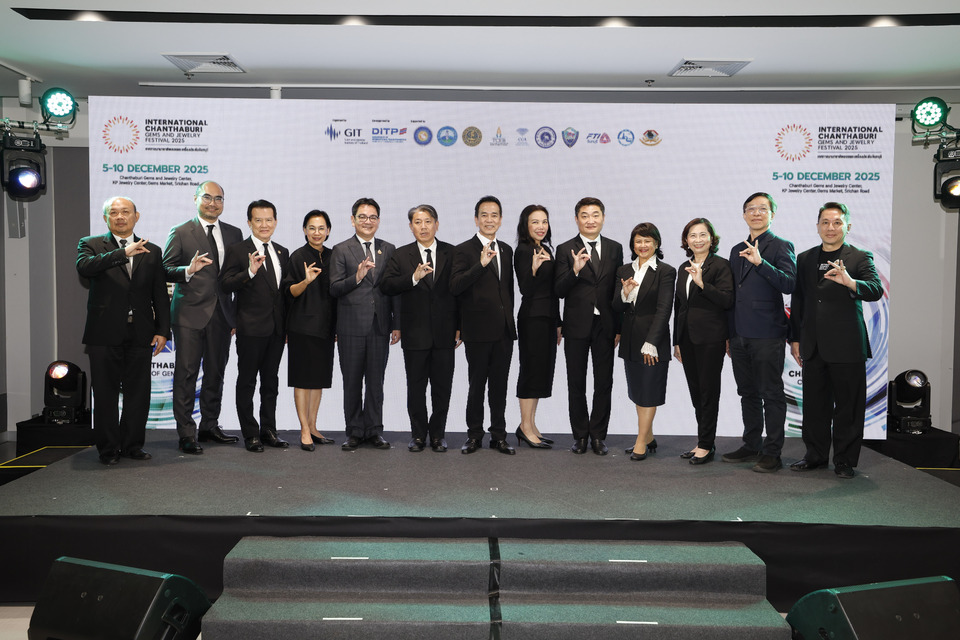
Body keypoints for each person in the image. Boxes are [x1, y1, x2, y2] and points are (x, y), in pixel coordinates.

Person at [789, 202, 883, 479]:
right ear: (818, 226)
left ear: (847, 226)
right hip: (813, 345)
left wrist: (850, 282)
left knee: (848, 407)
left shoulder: (860, 257)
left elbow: (875, 289)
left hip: (847, 344)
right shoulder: (805, 258)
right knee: (815, 406)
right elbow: (799, 300)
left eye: (837, 222)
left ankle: (844, 460)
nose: (831, 228)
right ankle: (815, 456)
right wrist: (795, 338)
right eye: (825, 222)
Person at [77, 197, 170, 465]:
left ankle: (132, 445)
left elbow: (159, 294)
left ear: (136, 216)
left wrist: (163, 330)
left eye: (125, 212)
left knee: (138, 393)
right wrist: (123, 253)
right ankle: (108, 449)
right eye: (114, 213)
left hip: (141, 332)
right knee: (105, 394)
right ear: (106, 218)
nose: (120, 217)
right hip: (103, 333)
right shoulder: (91, 244)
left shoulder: (152, 250)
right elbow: (84, 267)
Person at [162, 181, 243, 455]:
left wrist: (235, 316)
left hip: (222, 315)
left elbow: (235, 276)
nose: (213, 203)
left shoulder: (234, 233)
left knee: (215, 373)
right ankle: (186, 433)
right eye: (207, 197)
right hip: (189, 314)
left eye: (218, 198)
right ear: (196, 199)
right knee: (186, 374)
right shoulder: (181, 231)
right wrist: (188, 269)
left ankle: (209, 425)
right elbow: (165, 269)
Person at [723, 192, 797, 473]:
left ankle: (772, 452)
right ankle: (751, 444)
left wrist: (760, 263)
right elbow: (733, 295)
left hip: (768, 334)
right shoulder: (736, 249)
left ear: (772, 214)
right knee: (747, 393)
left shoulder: (781, 246)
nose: (756, 213)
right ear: (744, 215)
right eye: (751, 209)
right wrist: (730, 335)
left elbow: (789, 284)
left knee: (771, 394)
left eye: (762, 209)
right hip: (739, 334)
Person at [380, 204, 460, 453]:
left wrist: (460, 326)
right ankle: (417, 435)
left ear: (437, 224)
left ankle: (438, 435)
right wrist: (413, 278)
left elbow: (460, 292)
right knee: (415, 387)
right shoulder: (401, 254)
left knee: (442, 388)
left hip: (445, 333)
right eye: (417, 222)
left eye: (427, 221)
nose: (423, 227)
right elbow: (387, 285)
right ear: (410, 226)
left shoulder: (452, 252)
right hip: (415, 333)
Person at [329, 197, 400, 450]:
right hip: (350, 326)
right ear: (353, 220)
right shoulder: (341, 249)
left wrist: (397, 323)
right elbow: (334, 288)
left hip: (380, 325)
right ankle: (354, 431)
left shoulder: (389, 249)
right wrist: (357, 277)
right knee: (351, 382)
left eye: (372, 217)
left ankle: (374, 430)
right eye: (362, 217)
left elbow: (393, 289)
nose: (367, 221)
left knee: (376, 382)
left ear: (378, 221)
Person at [555, 197, 623, 455]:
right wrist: (574, 270)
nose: (590, 220)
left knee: (604, 382)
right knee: (576, 382)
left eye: (595, 215)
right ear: (576, 219)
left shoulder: (615, 248)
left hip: (605, 324)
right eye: (585, 215)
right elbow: (559, 290)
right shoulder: (564, 249)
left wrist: (619, 327)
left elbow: (617, 289)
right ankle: (580, 436)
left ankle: (598, 436)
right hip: (576, 325)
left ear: (603, 218)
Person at [219, 199, 289, 453]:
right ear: (249, 222)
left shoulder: (282, 251)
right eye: (258, 220)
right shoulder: (238, 250)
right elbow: (225, 284)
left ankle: (269, 430)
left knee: (271, 383)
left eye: (268, 220)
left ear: (276, 222)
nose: (264, 225)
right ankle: (250, 433)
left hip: (276, 330)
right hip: (250, 328)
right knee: (247, 382)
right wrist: (249, 272)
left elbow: (282, 293)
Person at [450, 195, 517, 455]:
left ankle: (499, 436)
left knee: (500, 387)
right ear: (476, 219)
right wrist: (480, 264)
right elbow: (456, 286)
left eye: (494, 215)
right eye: (484, 215)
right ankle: (474, 435)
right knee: (476, 386)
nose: (490, 220)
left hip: (504, 331)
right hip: (477, 331)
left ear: (500, 219)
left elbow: (507, 291)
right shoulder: (463, 250)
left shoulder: (507, 250)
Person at [612, 223, 676, 461]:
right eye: (638, 241)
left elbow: (664, 310)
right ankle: (648, 436)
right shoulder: (624, 270)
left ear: (656, 243)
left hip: (652, 340)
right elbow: (616, 306)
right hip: (630, 338)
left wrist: (652, 342)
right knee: (638, 390)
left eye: (647, 241)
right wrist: (624, 294)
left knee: (649, 390)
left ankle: (640, 441)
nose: (642, 245)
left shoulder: (665, 271)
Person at [673, 218, 735, 465]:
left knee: (709, 392)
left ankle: (706, 445)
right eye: (692, 236)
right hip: (687, 338)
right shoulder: (683, 267)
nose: (697, 240)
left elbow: (727, 300)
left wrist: (702, 284)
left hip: (711, 337)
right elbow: (679, 307)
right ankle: (703, 441)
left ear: (711, 239)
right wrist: (677, 341)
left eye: (702, 235)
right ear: (686, 241)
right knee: (696, 392)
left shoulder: (721, 265)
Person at [281, 210, 337, 452]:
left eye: (321, 228)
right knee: (303, 380)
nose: (317, 233)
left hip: (326, 328)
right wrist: (306, 281)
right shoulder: (298, 256)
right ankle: (304, 429)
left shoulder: (334, 256)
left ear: (328, 230)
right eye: (312, 228)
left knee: (318, 380)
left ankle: (313, 426)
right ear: (304, 230)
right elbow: (289, 291)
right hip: (302, 327)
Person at [513, 204, 560, 449]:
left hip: (548, 317)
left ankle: (531, 424)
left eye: (544, 221)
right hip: (532, 318)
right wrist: (533, 268)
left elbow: (552, 290)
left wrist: (558, 322)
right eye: (535, 222)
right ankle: (524, 426)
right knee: (530, 370)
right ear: (526, 225)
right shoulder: (523, 250)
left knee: (541, 372)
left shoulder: (545, 248)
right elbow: (526, 289)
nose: (541, 226)